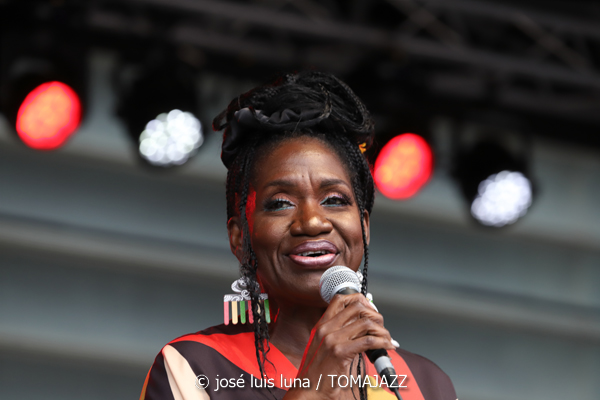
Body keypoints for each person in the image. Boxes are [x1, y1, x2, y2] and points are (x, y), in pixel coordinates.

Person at [139, 71, 457, 400]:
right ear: (240, 238)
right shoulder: (195, 367)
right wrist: (314, 390)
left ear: (364, 227)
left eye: (334, 200)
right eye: (280, 203)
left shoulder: (425, 385)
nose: (312, 222)